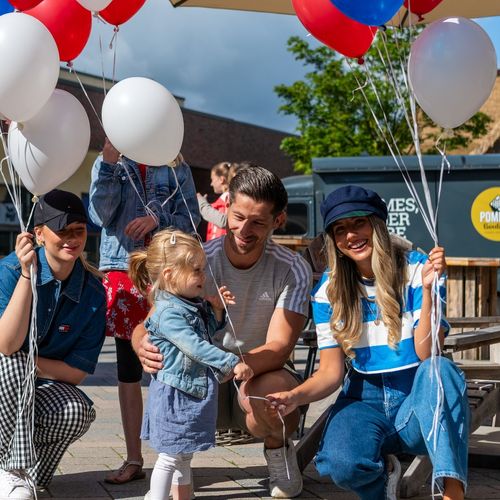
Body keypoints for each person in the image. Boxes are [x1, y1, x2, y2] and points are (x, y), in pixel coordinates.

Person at [266, 185, 469, 500]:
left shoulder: (418, 268)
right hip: (364, 398)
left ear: (378, 224)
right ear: (333, 239)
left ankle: (452, 492)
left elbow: (426, 353)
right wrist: (295, 395)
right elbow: (331, 373)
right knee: (338, 463)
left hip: (417, 396)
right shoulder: (327, 291)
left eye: (358, 222)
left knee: (441, 371)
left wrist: (429, 290)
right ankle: (381, 485)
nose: (350, 235)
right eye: (340, 229)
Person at [133, 165, 312, 499]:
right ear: (226, 208)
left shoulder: (292, 268)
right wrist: (140, 344)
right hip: (200, 373)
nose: (244, 229)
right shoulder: (200, 259)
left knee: (268, 397)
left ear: (278, 220)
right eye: (238, 216)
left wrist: (231, 366)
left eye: (258, 222)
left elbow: (279, 346)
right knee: (174, 430)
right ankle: (173, 475)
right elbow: (153, 323)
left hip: (256, 371)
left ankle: (279, 452)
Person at [88, 139, 200, 485]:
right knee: (129, 368)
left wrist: (157, 217)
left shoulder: (175, 164)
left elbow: (191, 218)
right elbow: (99, 215)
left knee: (170, 363)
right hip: (123, 270)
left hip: (166, 271)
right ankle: (134, 457)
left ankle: (173, 455)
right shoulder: (109, 163)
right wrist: (107, 164)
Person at [128, 228, 253, 500]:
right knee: (170, 456)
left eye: (202, 269)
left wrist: (216, 310)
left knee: (183, 455)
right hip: (176, 395)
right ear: (170, 275)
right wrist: (232, 362)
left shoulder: (187, 304)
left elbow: (206, 332)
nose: (203, 276)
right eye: (196, 270)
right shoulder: (168, 313)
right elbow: (195, 346)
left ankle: (184, 496)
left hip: (189, 392)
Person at [0, 189, 106, 499]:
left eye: (79, 231)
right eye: (62, 230)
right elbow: (6, 346)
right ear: (39, 235)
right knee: (11, 363)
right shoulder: (8, 271)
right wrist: (25, 276)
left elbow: (75, 374)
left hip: (37, 392)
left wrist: (29, 364)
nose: (72, 239)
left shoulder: (94, 294)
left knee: (76, 410)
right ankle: (13, 472)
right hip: (1, 383)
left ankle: (20, 473)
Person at [197, 162, 241, 241]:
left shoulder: (230, 197)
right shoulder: (225, 197)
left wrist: (201, 203)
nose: (211, 184)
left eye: (212, 179)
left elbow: (224, 221)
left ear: (221, 179)